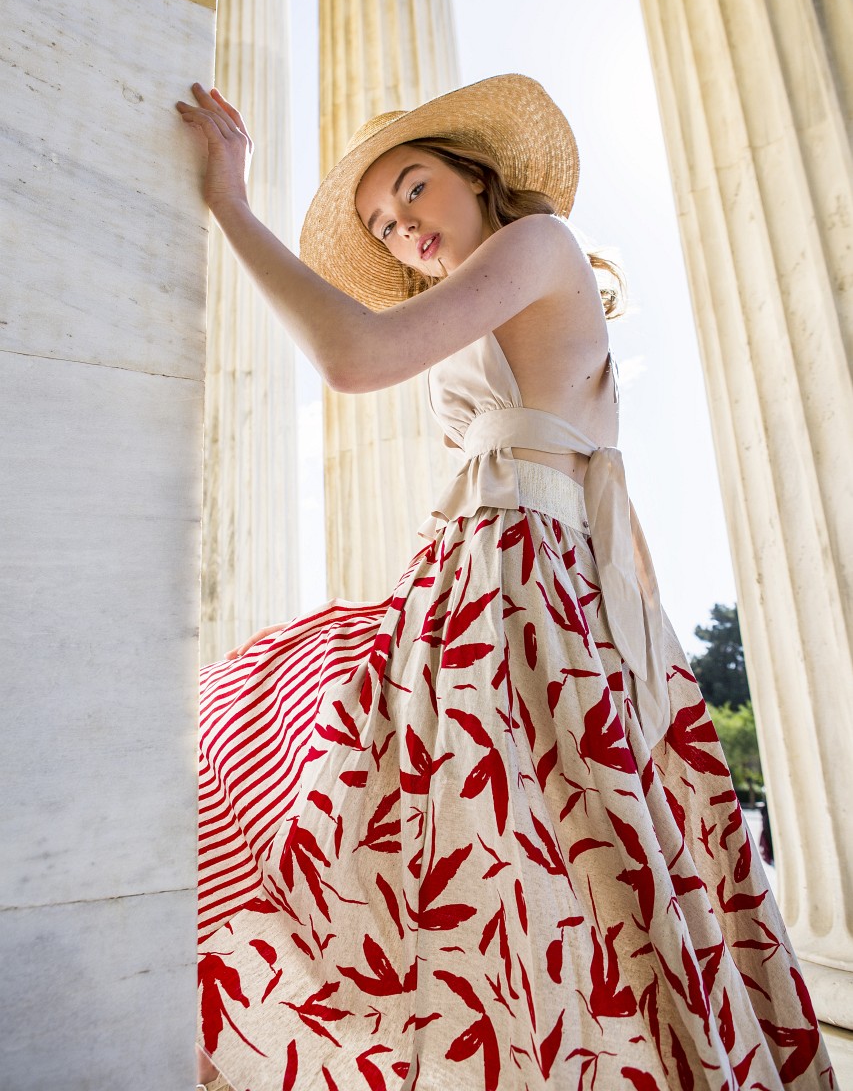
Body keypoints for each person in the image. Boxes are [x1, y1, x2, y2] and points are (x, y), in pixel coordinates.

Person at [176, 75, 834, 1091]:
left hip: (531, 592)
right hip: (482, 587)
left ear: (477, 175)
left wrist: (230, 204)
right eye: (384, 224)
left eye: (414, 189)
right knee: (477, 865)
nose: (402, 224)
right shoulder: (488, 289)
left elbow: (355, 355)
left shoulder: (540, 246)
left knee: (569, 870)